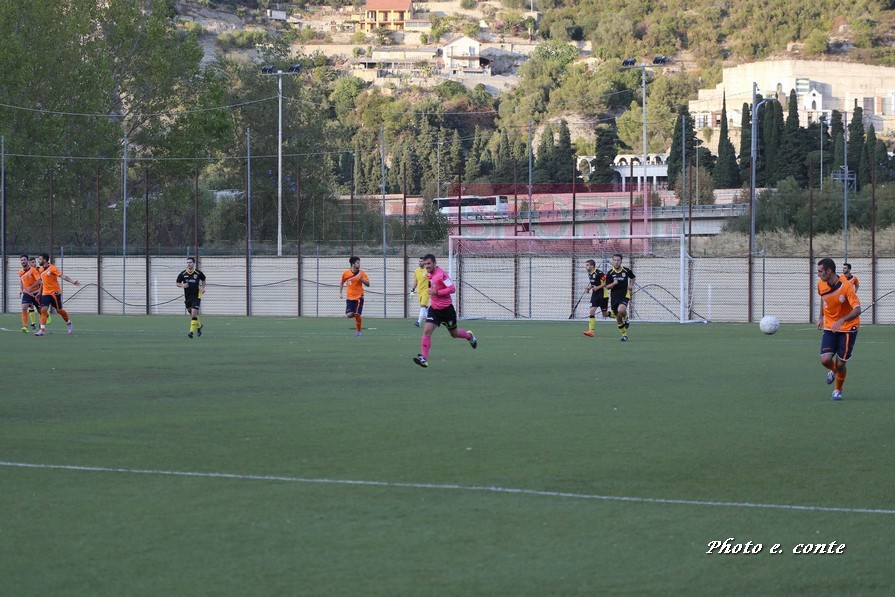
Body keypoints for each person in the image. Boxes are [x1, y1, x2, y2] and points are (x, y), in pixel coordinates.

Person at [413, 254, 477, 368]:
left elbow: (452, 289)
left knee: (454, 334)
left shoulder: (441, 275)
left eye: (429, 263)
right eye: (425, 263)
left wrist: (437, 292)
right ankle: (424, 359)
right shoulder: (428, 274)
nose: (426, 266)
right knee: (427, 331)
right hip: (434, 310)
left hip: (447, 310)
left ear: (434, 263)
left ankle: (469, 336)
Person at [817, 258, 861, 400]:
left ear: (829, 271)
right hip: (830, 326)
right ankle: (834, 371)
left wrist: (842, 320)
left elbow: (857, 309)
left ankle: (838, 390)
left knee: (841, 363)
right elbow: (823, 299)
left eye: (820, 271)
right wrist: (820, 317)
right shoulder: (820, 284)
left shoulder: (846, 286)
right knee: (825, 360)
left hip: (847, 328)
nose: (818, 274)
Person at [34, 253, 80, 336]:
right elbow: (42, 282)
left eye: (40, 259)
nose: (38, 261)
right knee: (43, 310)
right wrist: (39, 292)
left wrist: (73, 281)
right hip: (45, 293)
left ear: (45, 260)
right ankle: (42, 330)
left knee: (59, 310)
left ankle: (69, 323)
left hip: (55, 292)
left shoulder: (53, 268)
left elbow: (62, 276)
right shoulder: (40, 269)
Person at [604, 253, 635, 342]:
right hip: (614, 297)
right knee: (618, 317)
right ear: (612, 261)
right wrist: (613, 284)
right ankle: (624, 335)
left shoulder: (626, 270)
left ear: (621, 261)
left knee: (621, 310)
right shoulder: (610, 273)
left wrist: (631, 285)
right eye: (614, 260)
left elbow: (633, 278)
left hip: (624, 295)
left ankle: (626, 318)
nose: (616, 262)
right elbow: (607, 287)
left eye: (618, 260)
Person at [176, 256, 206, 338]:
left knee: (194, 313)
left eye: (190, 262)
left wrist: (203, 287)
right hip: (188, 297)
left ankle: (191, 332)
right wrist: (182, 285)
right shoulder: (183, 274)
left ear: (194, 263)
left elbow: (203, 279)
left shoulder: (198, 273)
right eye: (187, 262)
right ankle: (199, 326)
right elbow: (177, 283)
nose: (188, 264)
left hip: (196, 296)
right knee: (193, 315)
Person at [340, 256, 370, 336]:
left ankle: (358, 331)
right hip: (350, 297)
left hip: (359, 297)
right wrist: (340, 293)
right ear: (353, 264)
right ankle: (358, 316)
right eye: (357, 263)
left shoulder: (361, 273)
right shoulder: (346, 273)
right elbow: (342, 282)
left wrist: (361, 279)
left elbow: (368, 284)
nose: (359, 264)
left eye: (359, 263)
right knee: (349, 315)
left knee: (356, 314)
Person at [582, 259, 609, 337]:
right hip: (595, 295)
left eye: (587, 265)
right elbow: (593, 282)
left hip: (603, 295)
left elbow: (606, 282)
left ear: (592, 266)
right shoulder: (590, 274)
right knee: (592, 311)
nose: (586, 267)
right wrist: (589, 288)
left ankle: (619, 315)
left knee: (605, 314)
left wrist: (597, 287)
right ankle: (591, 331)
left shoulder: (599, 273)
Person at [18, 255, 41, 333]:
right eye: (21, 260)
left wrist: (30, 287)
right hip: (27, 293)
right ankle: (25, 326)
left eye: (24, 260)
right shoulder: (20, 272)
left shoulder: (33, 270)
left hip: (36, 293)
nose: (23, 261)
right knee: (24, 307)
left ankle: (42, 323)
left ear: (27, 261)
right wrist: (21, 289)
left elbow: (39, 281)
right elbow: (22, 281)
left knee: (40, 310)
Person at [410, 256, 430, 327]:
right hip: (420, 291)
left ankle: (418, 322)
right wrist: (412, 290)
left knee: (423, 306)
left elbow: (431, 279)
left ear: (424, 262)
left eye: (421, 261)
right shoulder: (417, 270)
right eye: (419, 261)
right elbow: (416, 281)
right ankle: (430, 320)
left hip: (426, 291)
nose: (420, 262)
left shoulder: (427, 270)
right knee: (425, 307)